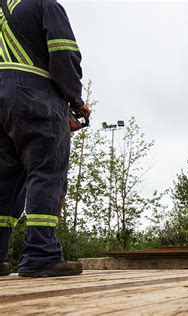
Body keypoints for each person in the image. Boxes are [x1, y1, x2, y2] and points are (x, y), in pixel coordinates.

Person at [0, 0, 91, 277]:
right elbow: (64, 54)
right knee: (46, 172)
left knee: (4, 179)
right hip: (34, 94)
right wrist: (75, 99)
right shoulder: (45, 4)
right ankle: (41, 255)